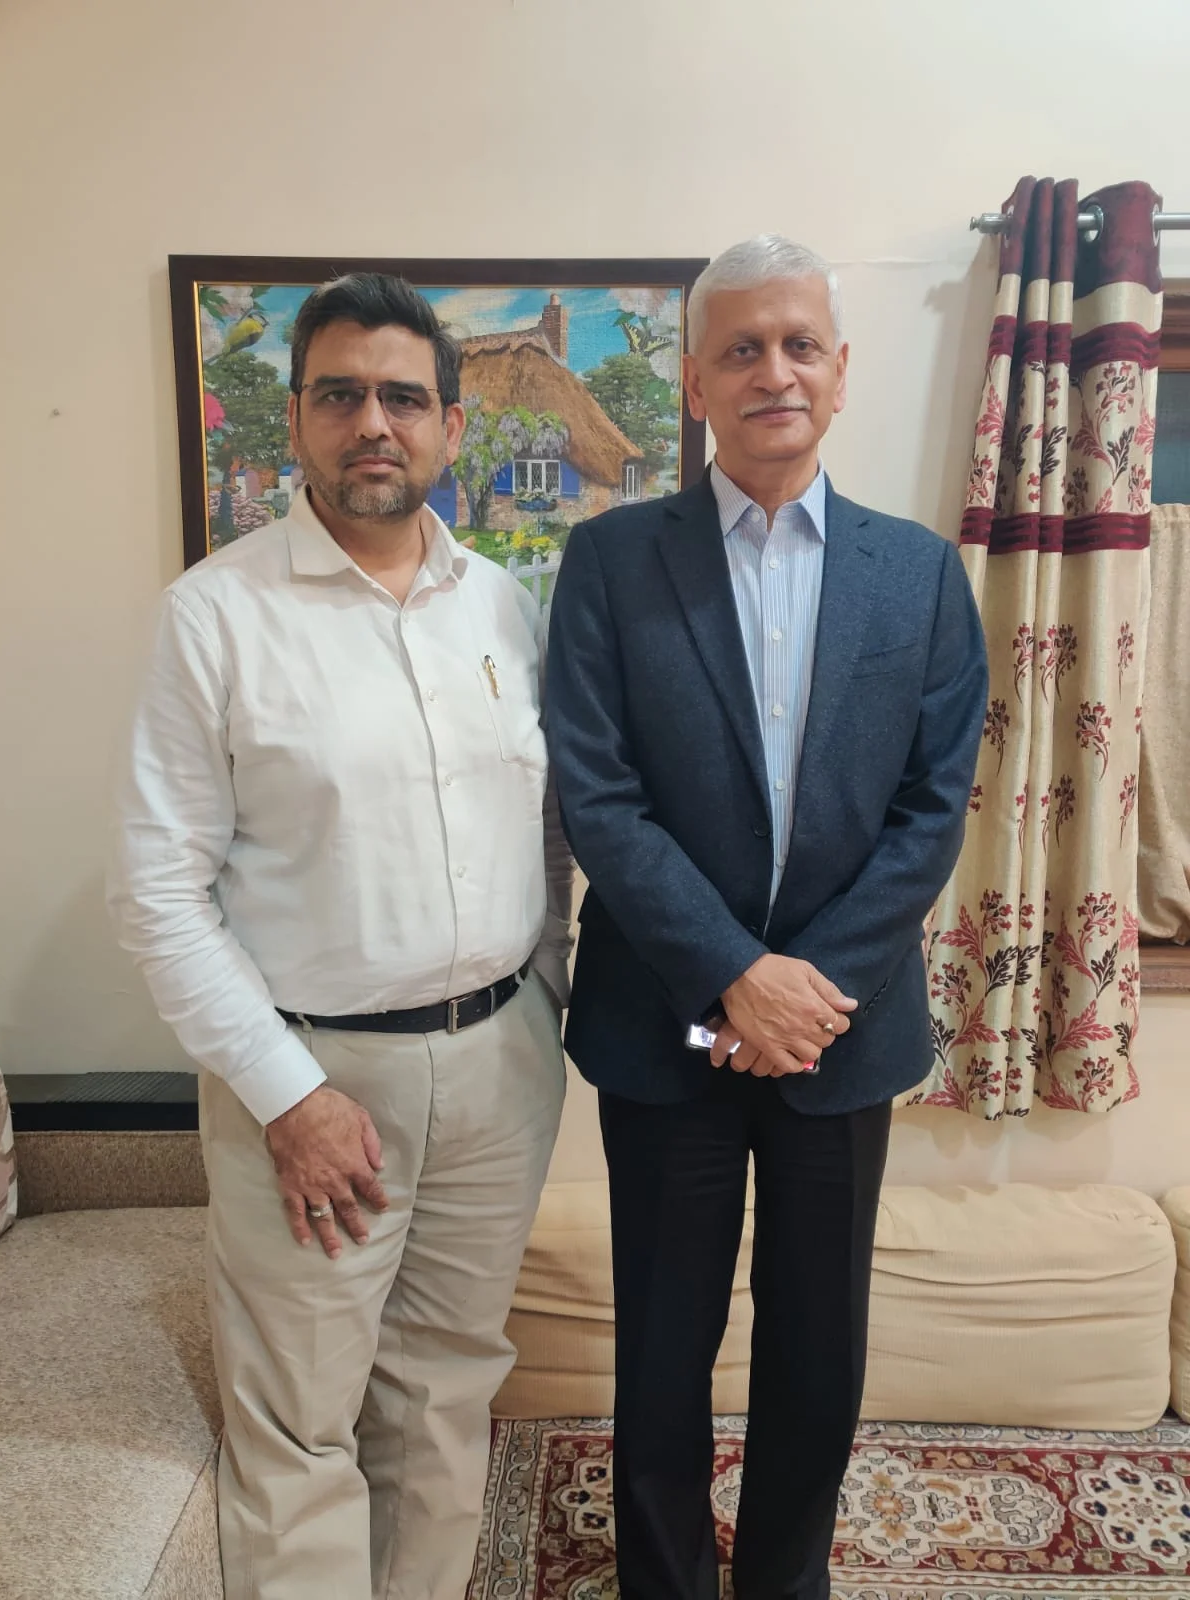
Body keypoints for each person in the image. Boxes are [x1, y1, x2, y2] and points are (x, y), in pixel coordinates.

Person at [107, 273, 572, 1600]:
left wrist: (544, 1001)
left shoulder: (504, 605)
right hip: (313, 1079)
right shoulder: (216, 616)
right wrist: (289, 1097)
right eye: (342, 394)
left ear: (451, 426)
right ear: (299, 419)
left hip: (500, 1065)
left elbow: (549, 830)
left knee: (445, 1391)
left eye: (404, 398)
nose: (375, 423)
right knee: (303, 1423)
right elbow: (156, 893)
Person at [545, 235, 988, 1600]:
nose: (773, 372)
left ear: (842, 373)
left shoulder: (919, 573)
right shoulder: (609, 561)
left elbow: (933, 808)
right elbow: (598, 796)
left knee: (817, 1348)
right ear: (696, 383)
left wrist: (802, 993)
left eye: (799, 345)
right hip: (663, 1028)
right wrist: (735, 974)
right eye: (741, 349)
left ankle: (788, 1581)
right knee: (661, 1349)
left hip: (841, 1037)